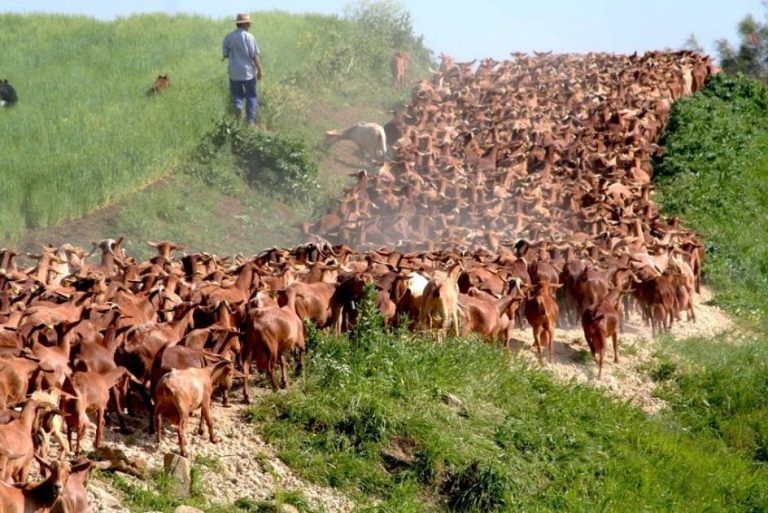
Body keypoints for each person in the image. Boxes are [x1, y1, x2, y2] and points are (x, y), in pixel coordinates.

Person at [222, 13, 263, 125]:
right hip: (248, 72)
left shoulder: (228, 37)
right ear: (245, 24)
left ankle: (238, 105)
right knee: (251, 96)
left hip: (234, 72)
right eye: (248, 23)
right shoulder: (249, 37)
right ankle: (250, 121)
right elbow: (254, 55)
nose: (249, 25)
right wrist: (260, 71)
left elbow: (225, 54)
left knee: (236, 94)